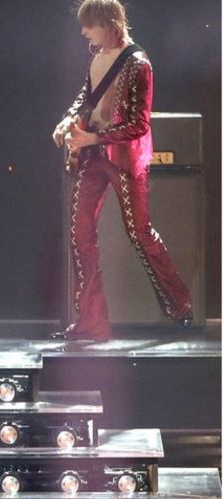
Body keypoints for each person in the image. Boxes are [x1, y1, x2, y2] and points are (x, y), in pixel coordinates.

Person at [51, 0, 192, 342]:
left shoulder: (138, 64)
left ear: (108, 23)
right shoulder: (98, 57)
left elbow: (139, 124)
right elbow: (86, 97)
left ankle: (180, 305)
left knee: (139, 232)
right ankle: (91, 322)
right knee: (80, 234)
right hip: (93, 155)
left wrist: (94, 137)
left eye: (90, 25)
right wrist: (68, 120)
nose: (84, 32)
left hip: (124, 158)